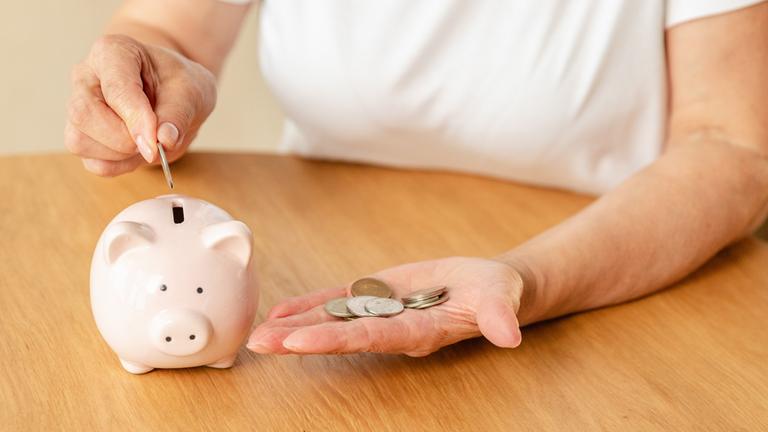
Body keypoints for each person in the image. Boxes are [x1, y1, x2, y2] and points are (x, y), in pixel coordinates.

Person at [66, 1, 768, 357]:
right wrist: (150, 67)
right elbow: (172, 31)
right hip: (325, 247)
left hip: (623, 291)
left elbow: (734, 148)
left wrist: (528, 277)